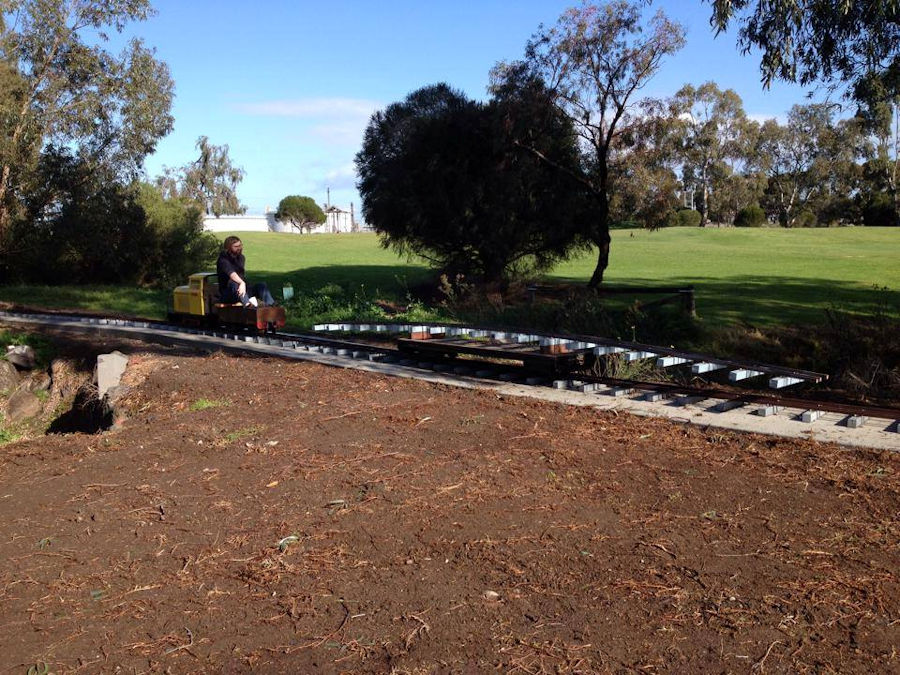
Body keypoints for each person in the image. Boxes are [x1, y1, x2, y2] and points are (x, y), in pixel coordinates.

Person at [216, 236, 276, 307]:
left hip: (242, 290)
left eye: (240, 245)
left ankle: (271, 305)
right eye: (236, 246)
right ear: (228, 248)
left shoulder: (241, 258)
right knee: (234, 283)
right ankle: (248, 306)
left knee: (261, 286)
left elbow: (241, 274)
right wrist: (241, 283)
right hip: (228, 294)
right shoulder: (223, 260)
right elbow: (232, 274)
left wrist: (243, 284)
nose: (239, 248)